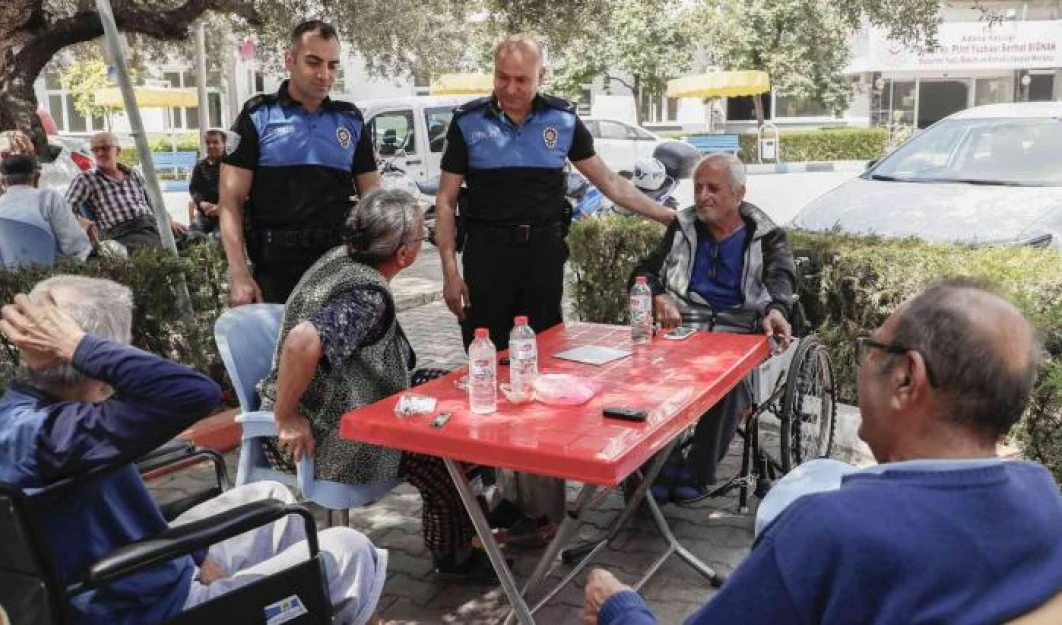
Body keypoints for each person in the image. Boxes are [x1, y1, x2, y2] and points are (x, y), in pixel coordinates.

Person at [583, 279, 1062, 625]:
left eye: (869, 349)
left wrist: (619, 608)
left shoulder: (830, 532)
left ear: (905, 380)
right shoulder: (1043, 497)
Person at [0, 275, 388, 625]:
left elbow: (114, 518)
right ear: (97, 362)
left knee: (269, 498)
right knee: (346, 550)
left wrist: (196, 554)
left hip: (119, 579)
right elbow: (193, 393)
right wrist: (80, 346)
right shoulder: (63, 434)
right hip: (153, 606)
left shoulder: (7, 425)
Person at [257, 189, 494, 580]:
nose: (425, 240)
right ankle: (454, 553)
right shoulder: (365, 297)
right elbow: (302, 341)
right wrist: (286, 417)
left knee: (451, 389)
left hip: (354, 403)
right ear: (404, 254)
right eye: (422, 235)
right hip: (330, 435)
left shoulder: (345, 256)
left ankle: (476, 512)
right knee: (440, 449)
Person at [435, 34, 677, 350]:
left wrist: (669, 217)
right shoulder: (467, 122)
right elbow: (445, 201)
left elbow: (610, 182)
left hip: (542, 257)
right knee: (485, 353)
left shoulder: (562, 120)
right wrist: (450, 274)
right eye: (502, 77)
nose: (510, 88)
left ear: (542, 75)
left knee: (544, 352)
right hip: (486, 257)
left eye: (521, 80)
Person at [630, 153, 795, 503]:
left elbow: (782, 281)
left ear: (738, 193)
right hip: (685, 330)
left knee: (729, 383)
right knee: (643, 373)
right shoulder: (683, 227)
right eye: (698, 187)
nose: (702, 196)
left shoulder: (767, 236)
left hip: (739, 332)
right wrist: (657, 294)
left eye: (713, 188)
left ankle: (695, 472)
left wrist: (776, 309)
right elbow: (643, 272)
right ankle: (661, 467)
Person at [220, 19, 379, 306]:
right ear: (289, 60)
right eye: (314, 62)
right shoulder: (258, 115)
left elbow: (373, 201)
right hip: (275, 270)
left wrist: (375, 263)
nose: (324, 74)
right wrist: (239, 274)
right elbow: (230, 201)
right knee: (278, 351)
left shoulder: (351, 120)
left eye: (332, 65)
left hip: (337, 264)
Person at [0, 154, 93, 272]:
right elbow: (76, 246)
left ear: (3, 181)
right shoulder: (49, 198)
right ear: (36, 176)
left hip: (15, 286)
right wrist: (85, 231)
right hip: (55, 281)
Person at [65, 132, 188, 253]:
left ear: (117, 151)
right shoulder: (86, 179)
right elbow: (64, 208)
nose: (100, 153)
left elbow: (152, 202)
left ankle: (173, 247)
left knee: (195, 237)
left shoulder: (133, 174)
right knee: (153, 248)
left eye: (105, 148)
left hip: (152, 225)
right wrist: (80, 221)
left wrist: (168, 220)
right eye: (95, 150)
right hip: (123, 232)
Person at [188, 128, 226, 237]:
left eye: (215, 142)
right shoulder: (200, 166)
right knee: (193, 235)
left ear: (224, 144)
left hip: (225, 212)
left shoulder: (231, 166)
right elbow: (194, 189)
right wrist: (201, 203)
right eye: (208, 143)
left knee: (218, 238)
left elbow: (238, 193)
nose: (211, 146)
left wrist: (221, 208)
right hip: (205, 212)